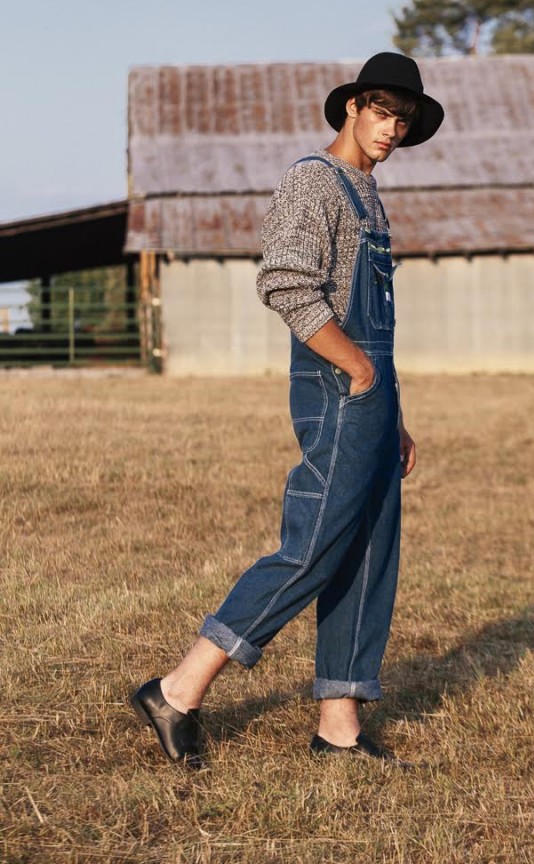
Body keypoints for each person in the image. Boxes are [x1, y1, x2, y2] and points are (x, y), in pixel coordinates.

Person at [131, 51, 445, 769]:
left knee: (368, 554)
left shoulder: (368, 192)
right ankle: (177, 690)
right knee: (311, 548)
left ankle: (339, 725)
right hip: (339, 387)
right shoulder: (315, 181)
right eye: (383, 112)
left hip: (373, 392)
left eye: (404, 119)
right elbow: (285, 284)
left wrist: (392, 410)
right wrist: (360, 369)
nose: (393, 129)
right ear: (352, 109)